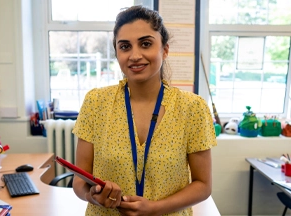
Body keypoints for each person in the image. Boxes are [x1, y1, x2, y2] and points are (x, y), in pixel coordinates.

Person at [72, 5, 217, 216]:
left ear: (164, 49)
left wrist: (155, 208)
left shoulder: (192, 108)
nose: (135, 55)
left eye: (146, 44)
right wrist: (92, 196)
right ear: (117, 53)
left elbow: (203, 185)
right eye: (125, 47)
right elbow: (79, 180)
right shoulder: (96, 102)